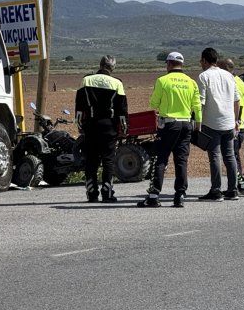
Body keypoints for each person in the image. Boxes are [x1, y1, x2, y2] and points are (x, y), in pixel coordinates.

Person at [137, 51, 201, 208]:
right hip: (186, 125)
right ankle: (180, 195)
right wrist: (198, 123)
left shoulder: (162, 81)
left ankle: (153, 196)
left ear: (170, 64)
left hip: (168, 125)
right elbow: (197, 106)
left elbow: (153, 103)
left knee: (160, 159)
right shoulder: (191, 82)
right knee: (181, 160)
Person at [75, 55, 128, 203]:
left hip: (91, 125)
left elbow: (79, 107)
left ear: (100, 65)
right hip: (109, 127)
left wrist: (80, 126)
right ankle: (107, 192)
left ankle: (92, 193)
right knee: (108, 160)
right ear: (113, 68)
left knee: (91, 160)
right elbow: (122, 110)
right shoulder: (117, 83)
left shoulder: (86, 80)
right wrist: (124, 128)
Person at [196, 47, 241, 201]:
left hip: (212, 123)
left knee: (215, 156)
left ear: (204, 60)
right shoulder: (229, 75)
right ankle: (232, 189)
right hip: (229, 122)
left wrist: (198, 123)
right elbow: (237, 100)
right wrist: (236, 120)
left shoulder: (203, 77)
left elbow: (200, 102)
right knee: (230, 156)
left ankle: (216, 190)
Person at [218, 58, 244, 195]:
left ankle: (241, 184)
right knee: (233, 156)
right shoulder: (240, 81)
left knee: (232, 157)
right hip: (239, 125)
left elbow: (239, 105)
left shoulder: (232, 82)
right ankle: (239, 184)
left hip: (235, 126)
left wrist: (234, 122)